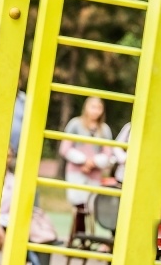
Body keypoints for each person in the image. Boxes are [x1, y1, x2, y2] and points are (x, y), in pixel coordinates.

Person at [59, 97, 113, 236]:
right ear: (86, 107)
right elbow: (65, 148)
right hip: (76, 171)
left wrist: (93, 162)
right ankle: (80, 234)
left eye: (99, 107)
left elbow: (108, 153)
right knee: (78, 204)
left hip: (94, 174)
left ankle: (83, 236)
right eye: (93, 107)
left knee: (90, 204)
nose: (96, 111)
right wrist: (83, 160)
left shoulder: (104, 129)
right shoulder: (75, 124)